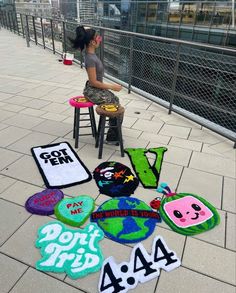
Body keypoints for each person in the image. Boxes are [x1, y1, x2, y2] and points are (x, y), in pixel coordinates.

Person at [69, 26, 123, 143]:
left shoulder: (92, 56)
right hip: (92, 90)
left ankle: (112, 134)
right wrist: (112, 86)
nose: (100, 39)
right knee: (115, 103)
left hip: (95, 88)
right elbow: (93, 82)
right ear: (92, 42)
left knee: (115, 100)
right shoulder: (90, 59)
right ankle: (112, 136)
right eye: (98, 37)